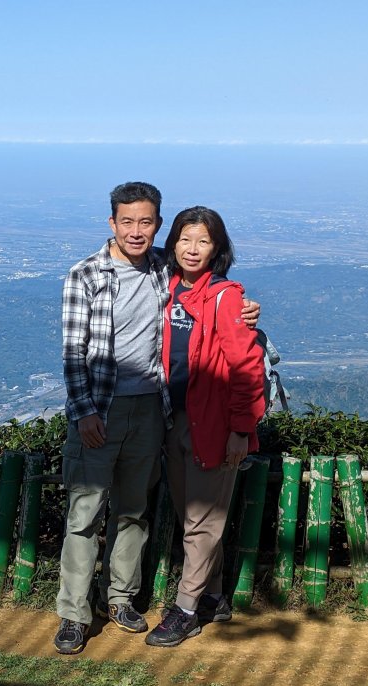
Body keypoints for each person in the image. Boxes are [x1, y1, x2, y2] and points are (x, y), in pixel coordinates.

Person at [54, 184, 259, 655]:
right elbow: (72, 353)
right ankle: (73, 614)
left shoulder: (162, 268)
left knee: (133, 512)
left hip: (152, 408)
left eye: (146, 222)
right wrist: (84, 411)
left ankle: (122, 600)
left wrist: (244, 310)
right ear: (112, 223)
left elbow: (216, 300)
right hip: (100, 408)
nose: (136, 230)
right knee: (85, 515)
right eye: (127, 221)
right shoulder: (86, 274)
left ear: (157, 225)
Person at [144, 205, 265, 648]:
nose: (193, 249)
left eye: (204, 241)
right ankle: (213, 596)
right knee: (189, 516)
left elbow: (247, 366)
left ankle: (186, 611)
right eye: (185, 239)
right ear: (172, 243)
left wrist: (240, 429)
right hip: (174, 419)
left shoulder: (224, 296)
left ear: (217, 249)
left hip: (214, 426)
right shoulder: (169, 285)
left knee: (202, 522)